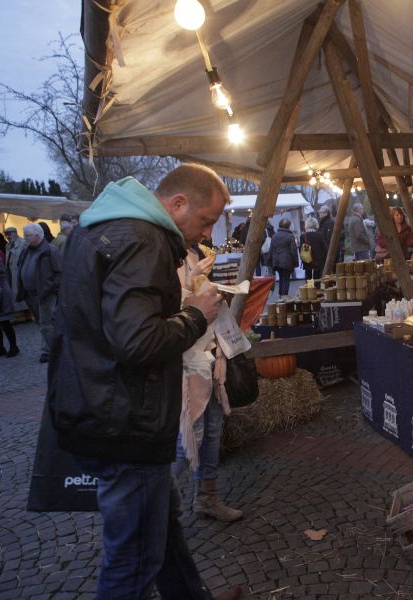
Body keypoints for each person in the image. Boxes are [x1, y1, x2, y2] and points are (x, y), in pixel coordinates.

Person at [46, 164, 242, 600]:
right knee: (133, 561)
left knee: (162, 525)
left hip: (99, 406)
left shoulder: (101, 228)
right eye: (205, 220)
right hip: (124, 420)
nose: (206, 233)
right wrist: (196, 315)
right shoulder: (143, 240)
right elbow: (138, 341)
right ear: (178, 203)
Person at [173, 244, 243, 523]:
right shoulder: (160, 255)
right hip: (185, 363)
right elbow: (161, 310)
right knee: (188, 439)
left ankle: (207, 498)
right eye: (204, 224)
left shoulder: (192, 252)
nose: (206, 234)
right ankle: (155, 507)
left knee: (213, 433)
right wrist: (191, 283)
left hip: (209, 355)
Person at [17, 223, 62, 363]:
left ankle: (52, 351)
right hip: (31, 294)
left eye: (27, 235)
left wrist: (51, 287)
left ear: (37, 236)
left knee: (46, 324)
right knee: (41, 323)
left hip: (46, 294)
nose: (24, 238)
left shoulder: (50, 250)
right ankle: (49, 349)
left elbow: (60, 273)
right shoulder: (26, 250)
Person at [270, 218, 298, 297]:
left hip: (277, 261)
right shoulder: (290, 236)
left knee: (281, 278)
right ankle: (284, 295)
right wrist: (296, 262)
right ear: (288, 226)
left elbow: (271, 249)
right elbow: (293, 250)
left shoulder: (274, 236)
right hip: (287, 261)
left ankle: (281, 295)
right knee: (286, 279)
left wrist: (270, 262)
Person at [4, 226, 28, 307]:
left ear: (15, 233)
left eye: (9, 234)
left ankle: (25, 310)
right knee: (14, 291)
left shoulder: (23, 243)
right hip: (10, 272)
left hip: (20, 272)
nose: (8, 236)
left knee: (21, 291)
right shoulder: (7, 245)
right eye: (6, 235)